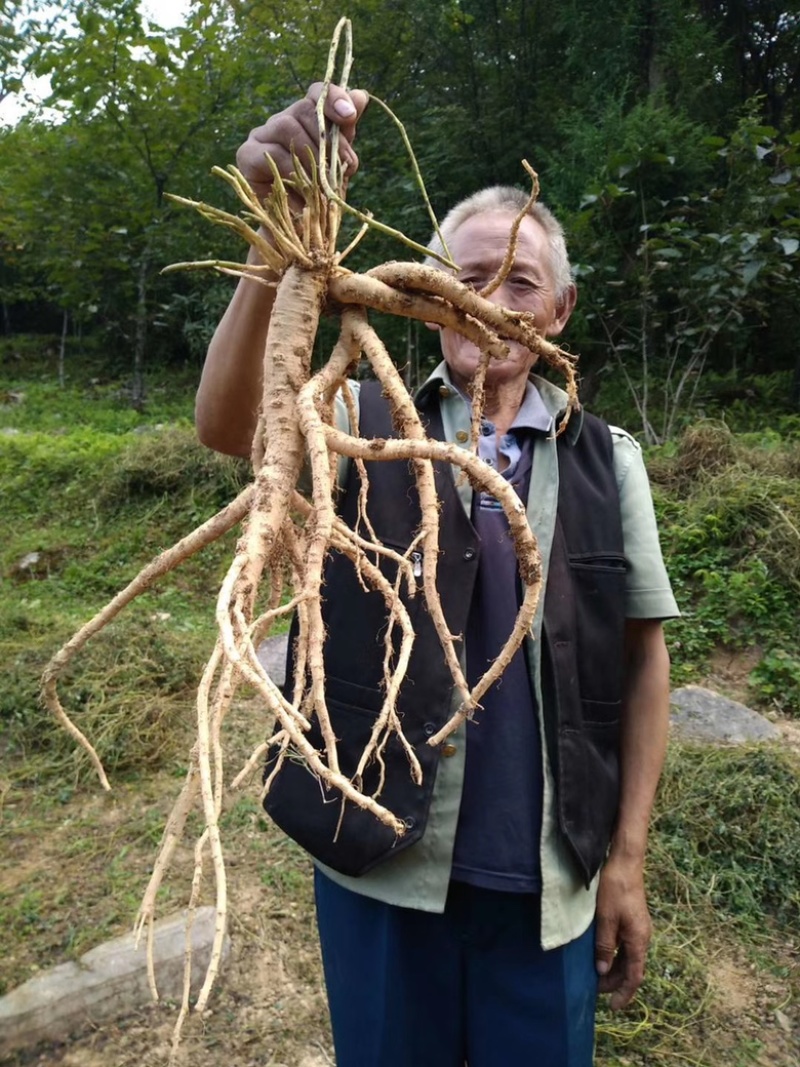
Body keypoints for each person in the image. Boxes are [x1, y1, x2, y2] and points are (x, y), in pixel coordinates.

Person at [197, 83, 679, 1067]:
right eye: (463, 275)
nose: (487, 300)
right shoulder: (353, 422)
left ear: (562, 306)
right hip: (380, 865)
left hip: (547, 881)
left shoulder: (606, 455)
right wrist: (276, 249)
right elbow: (227, 425)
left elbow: (641, 662)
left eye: (519, 281)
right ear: (419, 292)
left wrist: (624, 858)